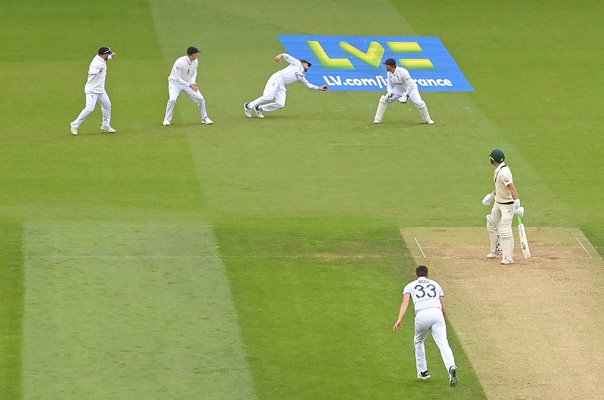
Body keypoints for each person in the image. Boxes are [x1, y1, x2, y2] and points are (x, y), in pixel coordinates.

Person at [393, 265, 458, 387]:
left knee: (418, 341)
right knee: (443, 343)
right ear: (427, 274)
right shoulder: (436, 284)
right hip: (436, 312)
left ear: (416, 275)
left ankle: (423, 372)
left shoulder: (410, 286)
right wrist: (441, 318)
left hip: (422, 314)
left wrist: (399, 319)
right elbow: (443, 307)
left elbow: (404, 303)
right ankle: (451, 367)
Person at [243, 53, 328, 118]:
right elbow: (286, 55)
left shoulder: (301, 76)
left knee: (281, 104)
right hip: (277, 78)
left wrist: (320, 88)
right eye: (308, 65)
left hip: (281, 85)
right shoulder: (297, 63)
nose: (309, 67)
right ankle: (248, 106)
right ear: (303, 63)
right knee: (268, 97)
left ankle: (259, 108)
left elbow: (308, 85)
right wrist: (280, 56)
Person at [481, 149, 525, 264]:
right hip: (498, 202)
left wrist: (517, 205)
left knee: (505, 230)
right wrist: (491, 195)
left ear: (493, 160)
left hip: (507, 206)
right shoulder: (498, 170)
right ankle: (495, 250)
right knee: (491, 223)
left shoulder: (504, 173)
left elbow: (512, 188)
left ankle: (508, 258)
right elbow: (500, 187)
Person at [70, 47, 117, 135]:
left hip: (101, 90)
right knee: (89, 109)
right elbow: (90, 71)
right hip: (92, 90)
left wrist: (112, 56)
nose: (109, 55)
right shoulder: (95, 62)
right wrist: (98, 71)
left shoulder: (103, 59)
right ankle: (74, 124)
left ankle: (105, 125)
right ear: (103, 54)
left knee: (107, 106)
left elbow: (107, 59)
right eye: (108, 54)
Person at [373, 58, 434, 125]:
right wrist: (390, 92)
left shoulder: (403, 72)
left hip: (411, 90)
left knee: (420, 104)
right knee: (384, 100)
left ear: (390, 66)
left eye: (387, 65)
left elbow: (410, 84)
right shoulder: (389, 73)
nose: (386, 67)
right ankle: (377, 120)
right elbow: (389, 84)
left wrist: (406, 95)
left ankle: (428, 120)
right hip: (398, 90)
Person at [162, 46, 213, 126]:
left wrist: (192, 83)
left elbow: (194, 73)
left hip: (187, 83)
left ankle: (205, 118)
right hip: (175, 83)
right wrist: (190, 84)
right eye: (196, 53)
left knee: (200, 98)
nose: (197, 55)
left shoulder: (196, 61)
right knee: (172, 99)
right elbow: (178, 79)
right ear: (192, 54)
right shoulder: (179, 63)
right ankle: (167, 120)